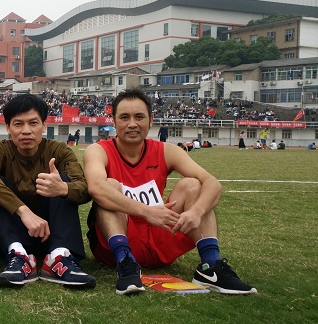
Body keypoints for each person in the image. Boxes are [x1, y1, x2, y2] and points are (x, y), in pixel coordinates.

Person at [83, 88, 256, 295]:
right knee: (109, 186)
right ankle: (125, 263)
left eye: (139, 117)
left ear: (150, 120)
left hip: (160, 232)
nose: (132, 124)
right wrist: (147, 211)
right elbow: (96, 187)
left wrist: (196, 212)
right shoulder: (98, 150)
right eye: (124, 117)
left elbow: (212, 183)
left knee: (192, 185)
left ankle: (211, 266)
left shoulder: (167, 150)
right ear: (113, 121)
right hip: (118, 239)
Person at [0, 94, 95, 289]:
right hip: (9, 236)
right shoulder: (0, 150)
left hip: (51, 234)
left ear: (44, 125)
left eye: (33, 123)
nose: (26, 131)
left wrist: (63, 188)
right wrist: (24, 211)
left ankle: (59, 256)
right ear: (8, 128)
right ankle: (18, 255)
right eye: (18, 124)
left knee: (62, 182)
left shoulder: (60, 151)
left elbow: (84, 188)